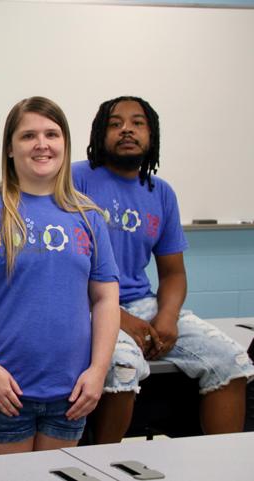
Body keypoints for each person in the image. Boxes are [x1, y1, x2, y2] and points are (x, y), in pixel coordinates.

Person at [0, 97, 120, 455]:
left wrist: (98, 371)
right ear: (10, 148)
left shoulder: (89, 218)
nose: (42, 144)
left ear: (65, 145)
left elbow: (105, 298)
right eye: (28, 136)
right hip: (2, 389)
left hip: (71, 392)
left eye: (52, 134)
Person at [73, 95, 254, 443]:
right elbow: (62, 269)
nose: (127, 129)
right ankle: (102, 463)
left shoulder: (161, 193)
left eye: (138, 123)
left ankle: (224, 465)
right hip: (86, 305)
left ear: (151, 136)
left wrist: (167, 317)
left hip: (141, 304)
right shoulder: (75, 180)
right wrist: (121, 320)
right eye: (115, 123)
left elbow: (172, 273)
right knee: (124, 367)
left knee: (230, 360)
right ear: (99, 134)